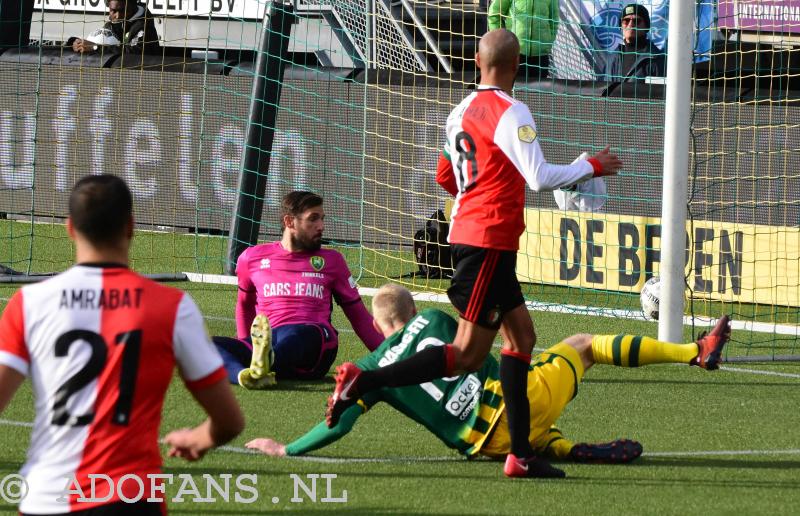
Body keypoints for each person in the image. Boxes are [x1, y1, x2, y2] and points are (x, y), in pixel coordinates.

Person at [325, 29, 623, 480]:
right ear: (516, 65)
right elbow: (539, 177)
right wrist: (591, 166)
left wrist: (477, 190)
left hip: (485, 240)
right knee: (465, 353)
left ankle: (520, 456)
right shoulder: (511, 110)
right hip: (485, 242)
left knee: (521, 338)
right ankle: (364, 381)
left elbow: (446, 174)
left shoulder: (460, 111)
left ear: (479, 63)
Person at [249, 284, 731, 463]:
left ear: (378, 326)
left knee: (535, 394)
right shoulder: (438, 319)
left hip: (484, 446)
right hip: (518, 408)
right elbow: (481, 354)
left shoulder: (373, 367)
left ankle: (557, 445)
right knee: (582, 346)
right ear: (413, 308)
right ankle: (694, 350)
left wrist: (285, 447)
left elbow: (339, 425)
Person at [0, 175, 244, 515]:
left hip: (46, 497)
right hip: (131, 498)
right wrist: (200, 439)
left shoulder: (28, 303)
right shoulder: (172, 306)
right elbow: (230, 422)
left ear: (70, 228)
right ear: (130, 226)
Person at [213, 190, 384, 389]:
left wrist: (392, 356)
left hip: (315, 344)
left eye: (322, 218)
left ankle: (268, 360)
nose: (321, 226)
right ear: (289, 222)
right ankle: (246, 374)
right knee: (208, 345)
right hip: (270, 342)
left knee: (298, 334)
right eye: (313, 219)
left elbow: (359, 317)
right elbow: (244, 305)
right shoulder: (251, 258)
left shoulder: (333, 261)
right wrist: (246, 344)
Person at [488, 0, 559, 81]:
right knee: (514, 90)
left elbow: (554, 20)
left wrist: (548, 42)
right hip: (515, 53)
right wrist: (502, 40)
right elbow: (494, 15)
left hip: (540, 54)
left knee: (537, 91)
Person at [603, 3, 666, 81]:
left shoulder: (656, 59)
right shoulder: (611, 59)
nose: (631, 24)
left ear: (646, 26)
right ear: (621, 26)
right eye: (626, 21)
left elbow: (660, 92)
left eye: (637, 21)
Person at [71, 0, 159, 55]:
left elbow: (136, 53)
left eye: (121, 11)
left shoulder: (144, 26)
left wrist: (96, 47)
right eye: (113, 10)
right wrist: (78, 44)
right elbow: (102, 42)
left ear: (132, 6)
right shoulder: (112, 24)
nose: (117, 16)